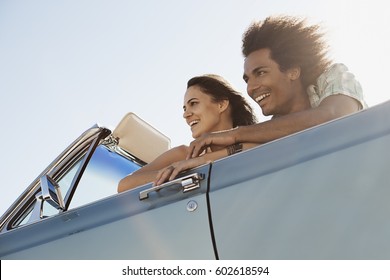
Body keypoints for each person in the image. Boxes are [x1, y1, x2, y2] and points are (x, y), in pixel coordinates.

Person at [155, 15, 368, 183]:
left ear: (293, 71)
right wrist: (199, 163)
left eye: (261, 73)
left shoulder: (332, 78)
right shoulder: (271, 128)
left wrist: (233, 134)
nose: (251, 87)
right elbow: (243, 150)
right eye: (247, 79)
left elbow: (334, 115)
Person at [118, 74, 257, 192]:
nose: (186, 114)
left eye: (194, 103)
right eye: (184, 108)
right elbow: (124, 185)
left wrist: (200, 162)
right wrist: (179, 172)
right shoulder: (183, 155)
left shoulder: (256, 140)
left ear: (221, 105)